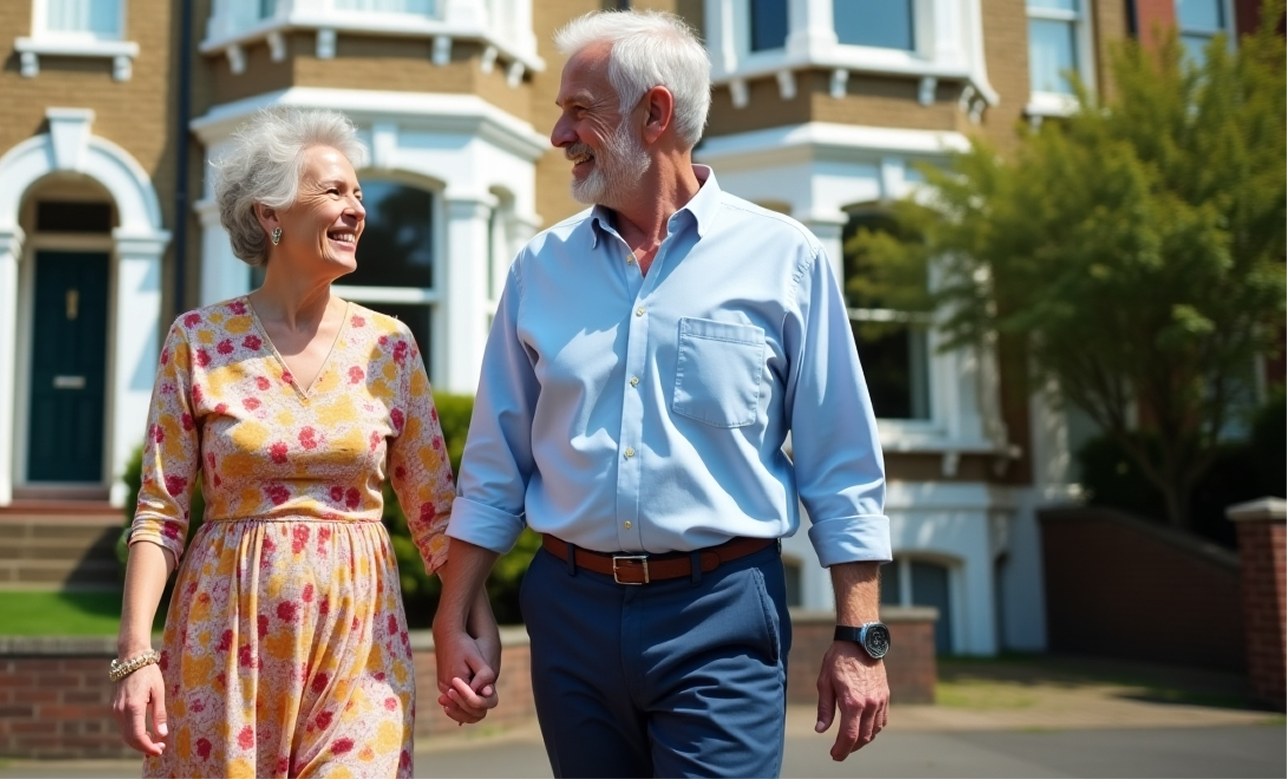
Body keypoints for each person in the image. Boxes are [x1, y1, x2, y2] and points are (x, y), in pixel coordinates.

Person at [433, 10, 894, 777]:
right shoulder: (537, 268)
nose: (557, 134)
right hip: (569, 614)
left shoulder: (786, 259)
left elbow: (841, 463)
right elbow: (493, 467)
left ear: (655, 113)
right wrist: (453, 615)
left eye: (579, 110)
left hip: (720, 612)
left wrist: (861, 635)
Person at [113, 108, 498, 779]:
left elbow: (436, 509)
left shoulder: (390, 347)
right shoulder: (198, 342)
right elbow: (160, 511)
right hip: (224, 641)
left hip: (360, 644)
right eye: (334, 191)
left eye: (357, 194)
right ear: (271, 216)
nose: (356, 210)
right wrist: (136, 651)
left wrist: (468, 621)